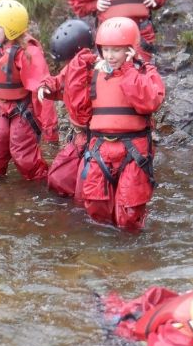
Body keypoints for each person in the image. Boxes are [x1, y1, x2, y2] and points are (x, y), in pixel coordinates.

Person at [63, 16, 165, 231]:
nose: (110, 56)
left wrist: (128, 69)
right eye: (106, 50)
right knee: (97, 209)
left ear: (130, 49)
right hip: (100, 147)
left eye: (116, 50)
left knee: (129, 216)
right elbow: (68, 89)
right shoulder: (95, 71)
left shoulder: (145, 72)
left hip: (133, 149)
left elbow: (150, 101)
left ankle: (132, 247)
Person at [0, 0, 58, 180]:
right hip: (1, 107)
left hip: (24, 110)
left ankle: (38, 183)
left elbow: (43, 90)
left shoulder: (27, 52)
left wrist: (50, 130)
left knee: (22, 153)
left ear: (11, 27)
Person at [37, 19, 95, 202]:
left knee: (86, 190)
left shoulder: (96, 69)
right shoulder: (72, 68)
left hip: (96, 137)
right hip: (80, 136)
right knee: (58, 179)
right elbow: (59, 81)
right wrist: (45, 86)